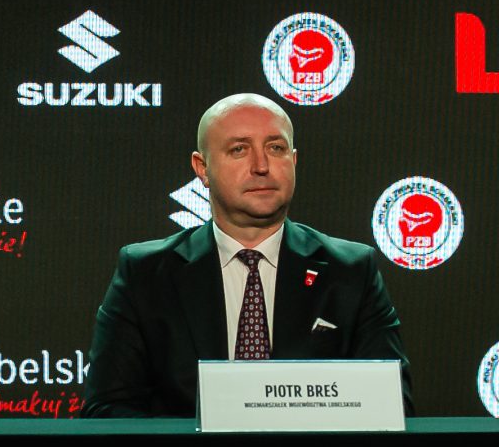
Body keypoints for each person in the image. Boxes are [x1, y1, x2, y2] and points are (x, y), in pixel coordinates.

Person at [82, 93, 410, 418]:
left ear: (293, 160)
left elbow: (392, 407)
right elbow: (107, 410)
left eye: (276, 148)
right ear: (202, 168)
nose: (262, 166)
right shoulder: (146, 274)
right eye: (239, 149)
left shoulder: (351, 271)